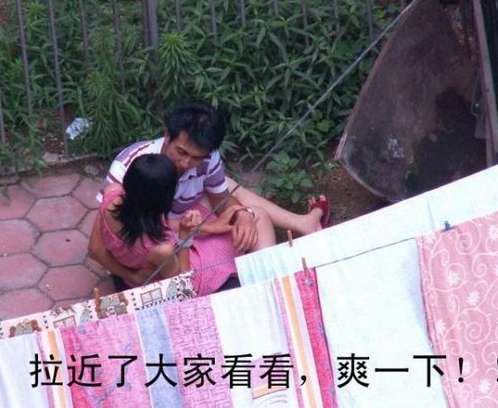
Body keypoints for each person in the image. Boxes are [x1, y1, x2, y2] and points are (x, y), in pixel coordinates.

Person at [88, 101, 330, 288]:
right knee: (258, 217)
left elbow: (221, 199)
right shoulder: (128, 170)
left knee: (244, 207)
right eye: (181, 152)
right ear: (167, 135)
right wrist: (197, 231)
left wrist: (241, 215)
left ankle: (281, 257)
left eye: (197, 158)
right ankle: (266, 283)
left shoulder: (206, 159)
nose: (186, 163)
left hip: (174, 227)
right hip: (164, 247)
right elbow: (117, 242)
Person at [99, 153, 243, 296]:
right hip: (156, 283)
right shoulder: (161, 250)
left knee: (212, 229)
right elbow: (185, 286)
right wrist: (184, 235)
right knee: (224, 250)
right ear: (165, 199)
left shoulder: (111, 196)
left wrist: (207, 228)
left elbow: (151, 223)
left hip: (128, 264)